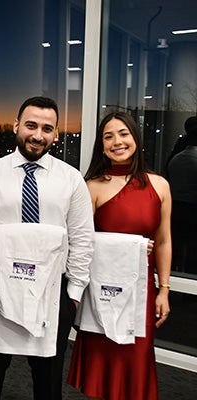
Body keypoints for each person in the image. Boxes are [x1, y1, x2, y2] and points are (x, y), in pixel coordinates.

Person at [0, 96, 94, 400]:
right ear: (16, 125)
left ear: (55, 134)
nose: (38, 135)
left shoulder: (71, 179)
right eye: (31, 125)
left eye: (47, 128)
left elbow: (82, 238)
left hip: (54, 293)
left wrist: (73, 296)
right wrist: (14, 244)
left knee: (48, 383)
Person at [67, 111, 172, 400]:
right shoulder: (92, 187)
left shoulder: (159, 185)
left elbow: (163, 241)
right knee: (103, 364)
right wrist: (132, 245)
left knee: (136, 361)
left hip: (141, 292)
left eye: (123, 134)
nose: (117, 142)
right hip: (103, 293)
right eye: (108, 136)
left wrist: (163, 290)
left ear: (135, 138)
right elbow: (80, 242)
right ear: (101, 145)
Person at [167, 116, 197, 274]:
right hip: (190, 208)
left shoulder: (177, 156)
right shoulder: (188, 157)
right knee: (190, 248)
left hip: (176, 206)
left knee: (177, 246)